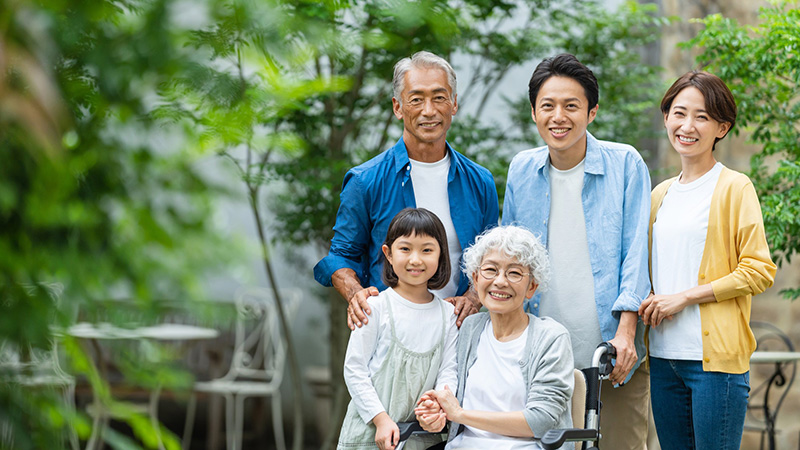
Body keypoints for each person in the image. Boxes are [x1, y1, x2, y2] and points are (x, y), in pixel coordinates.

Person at [501, 53, 652, 449]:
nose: (559, 116)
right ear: (534, 112)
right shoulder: (521, 169)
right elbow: (509, 262)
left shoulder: (626, 164)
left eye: (572, 106)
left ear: (592, 111)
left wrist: (626, 330)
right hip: (542, 355)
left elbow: (637, 252)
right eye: (548, 106)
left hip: (611, 351)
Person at [639, 71, 776, 450]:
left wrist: (684, 297)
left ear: (721, 127)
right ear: (666, 117)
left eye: (701, 116)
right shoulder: (659, 194)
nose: (687, 125)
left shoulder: (735, 187)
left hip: (714, 367)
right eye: (678, 113)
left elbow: (759, 270)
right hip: (664, 358)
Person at [314, 51, 499, 330]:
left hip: (460, 335)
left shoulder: (479, 181)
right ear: (398, 107)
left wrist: (473, 298)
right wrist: (355, 293)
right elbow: (341, 256)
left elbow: (492, 259)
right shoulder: (366, 181)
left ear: (454, 104)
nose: (429, 110)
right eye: (416, 99)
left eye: (439, 97)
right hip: (389, 332)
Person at [414, 225, 574, 449]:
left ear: (532, 287)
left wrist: (460, 414)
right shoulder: (470, 328)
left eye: (515, 273)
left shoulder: (551, 337)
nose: (500, 281)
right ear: (476, 278)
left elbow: (540, 421)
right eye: (491, 270)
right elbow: (450, 393)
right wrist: (435, 413)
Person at [338, 208, 459, 450]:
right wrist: (380, 419)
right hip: (369, 434)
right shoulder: (375, 307)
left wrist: (438, 405)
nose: (416, 259)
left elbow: (449, 370)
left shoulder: (447, 315)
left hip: (422, 438)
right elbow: (354, 369)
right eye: (405, 249)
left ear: (441, 255)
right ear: (389, 254)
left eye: (427, 250)